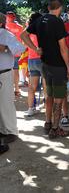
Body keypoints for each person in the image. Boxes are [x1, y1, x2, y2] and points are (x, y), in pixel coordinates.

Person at [21, 0, 69, 139]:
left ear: (49, 7)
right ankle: (55, 129)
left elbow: (23, 35)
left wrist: (35, 48)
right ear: (60, 7)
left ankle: (48, 123)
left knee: (49, 95)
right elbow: (63, 48)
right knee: (58, 97)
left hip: (45, 64)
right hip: (57, 66)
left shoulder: (39, 20)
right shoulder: (57, 22)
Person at [0, 13, 26, 153]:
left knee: (6, 103)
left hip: (4, 73)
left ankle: (11, 131)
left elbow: (20, 49)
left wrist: (4, 48)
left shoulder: (6, 34)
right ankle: (2, 129)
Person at [24, 12, 47, 117]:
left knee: (32, 86)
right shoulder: (41, 29)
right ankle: (48, 107)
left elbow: (25, 44)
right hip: (42, 59)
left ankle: (30, 108)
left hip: (31, 60)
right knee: (46, 85)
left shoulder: (28, 31)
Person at [5, 11, 25, 96]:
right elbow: (23, 40)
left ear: (7, 17)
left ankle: (8, 89)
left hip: (6, 52)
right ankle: (17, 89)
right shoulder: (20, 27)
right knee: (16, 70)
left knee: (6, 71)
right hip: (16, 52)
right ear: (14, 17)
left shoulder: (5, 27)